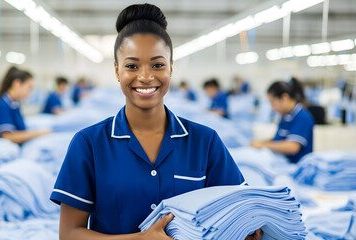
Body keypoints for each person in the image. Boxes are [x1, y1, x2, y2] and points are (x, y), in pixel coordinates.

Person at [50, 4, 262, 240]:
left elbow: (240, 211)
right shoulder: (89, 144)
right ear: (117, 71)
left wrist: (249, 228)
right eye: (132, 66)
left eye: (157, 65)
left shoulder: (205, 142)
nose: (145, 76)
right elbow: (69, 234)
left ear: (171, 68)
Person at [250, 78, 314, 163]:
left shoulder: (302, 117)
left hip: (295, 165)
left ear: (284, 98)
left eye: (273, 102)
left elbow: (292, 147)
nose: (272, 108)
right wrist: (260, 142)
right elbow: (279, 140)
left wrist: (262, 145)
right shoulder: (286, 116)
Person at [0, 66, 50, 144]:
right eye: (29, 88)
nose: (30, 93)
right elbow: (8, 136)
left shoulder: (14, 104)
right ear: (17, 84)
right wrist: (37, 133)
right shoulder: (3, 105)